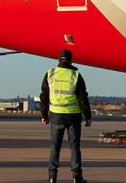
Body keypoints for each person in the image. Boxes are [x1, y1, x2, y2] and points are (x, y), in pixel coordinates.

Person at [40, 49, 92, 183]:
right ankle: (77, 177)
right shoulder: (76, 75)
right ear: (71, 60)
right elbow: (82, 98)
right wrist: (88, 116)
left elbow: (44, 96)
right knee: (74, 147)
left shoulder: (50, 74)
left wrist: (44, 115)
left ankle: (52, 177)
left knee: (55, 146)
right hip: (73, 116)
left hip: (56, 116)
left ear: (58, 60)